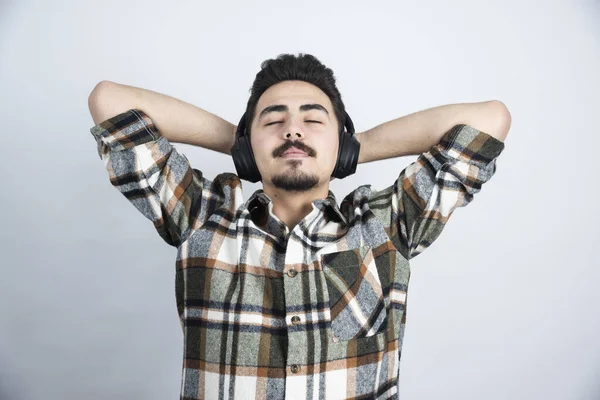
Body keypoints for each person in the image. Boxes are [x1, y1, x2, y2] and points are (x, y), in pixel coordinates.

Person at [88, 53, 510, 400]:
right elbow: (109, 101)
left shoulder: (385, 224)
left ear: (341, 140)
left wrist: (353, 147)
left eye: (313, 120)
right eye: (273, 121)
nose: (292, 129)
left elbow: (490, 119)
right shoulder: (201, 215)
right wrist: (242, 146)